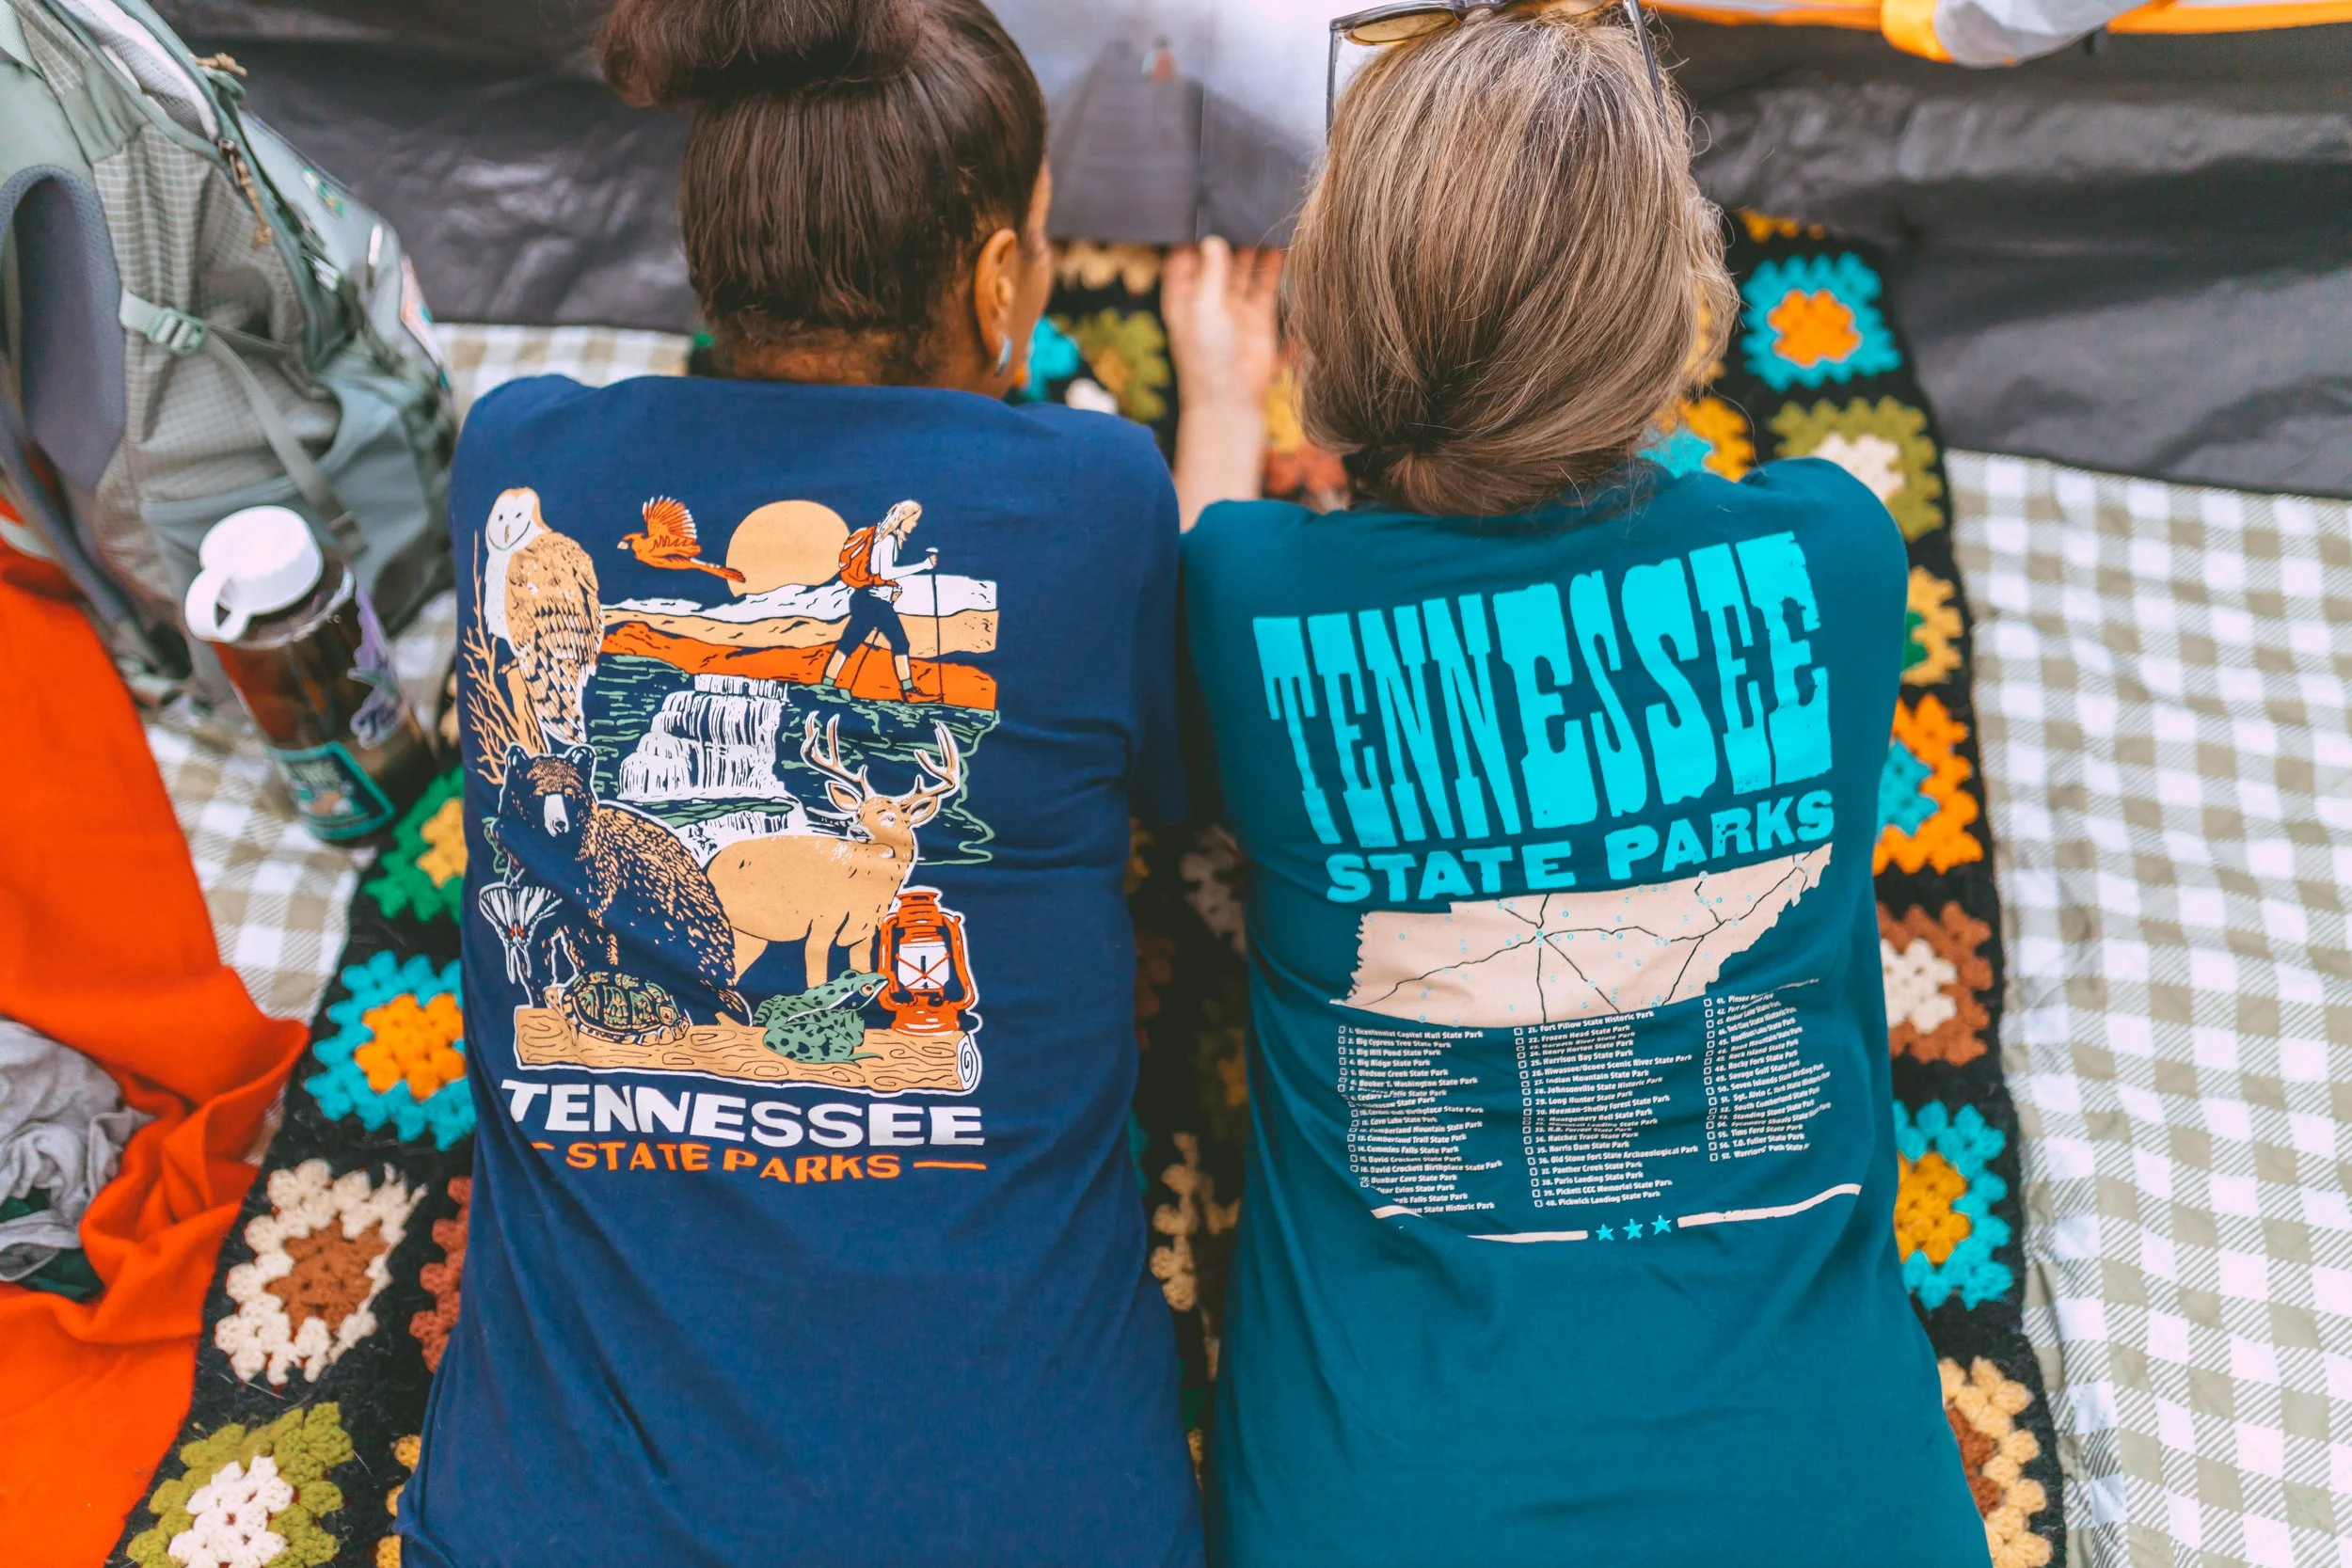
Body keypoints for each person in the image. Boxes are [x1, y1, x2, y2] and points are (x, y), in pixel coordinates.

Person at [1168, 9, 1990, 1567]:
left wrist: (1216, 411)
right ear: (1680, 324)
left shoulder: (1247, 598)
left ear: (1327, 335)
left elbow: (1235, 563)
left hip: (1386, 1506)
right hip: (1827, 1501)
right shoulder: (1835, 554)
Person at [412, 2, 1202, 1564]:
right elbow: (1174, 802)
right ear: (999, 286)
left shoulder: (516, 458)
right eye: (1039, 246)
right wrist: (1226, 424)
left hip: (556, 1526)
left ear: (714, 260)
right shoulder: (1101, 496)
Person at [825, 499, 938, 699]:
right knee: (900, 643)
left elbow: (878, 575)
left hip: (867, 599)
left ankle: (826, 684)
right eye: (914, 519)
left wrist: (890, 590)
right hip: (873, 603)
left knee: (849, 642)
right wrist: (924, 566)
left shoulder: (880, 537)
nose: (915, 524)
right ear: (903, 517)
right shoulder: (888, 540)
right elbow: (884, 573)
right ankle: (909, 691)